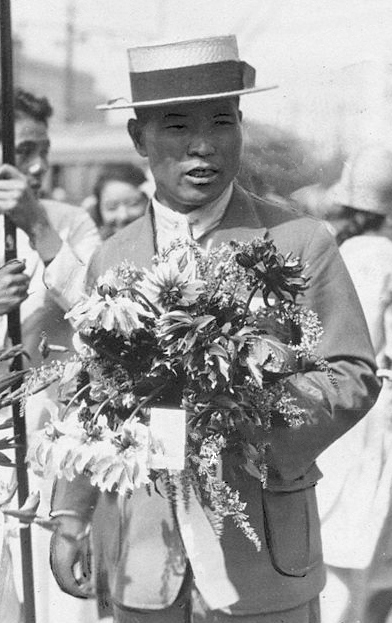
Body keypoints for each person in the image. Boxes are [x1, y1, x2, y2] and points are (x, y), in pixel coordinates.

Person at [49, 35, 380, 623]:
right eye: (175, 127)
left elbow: (353, 374)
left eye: (221, 122)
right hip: (143, 563)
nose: (202, 146)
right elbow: (90, 401)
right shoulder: (114, 257)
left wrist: (245, 413)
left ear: (240, 127)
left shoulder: (299, 241)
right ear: (138, 138)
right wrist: (71, 517)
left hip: (265, 559)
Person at [0, 88, 101, 623]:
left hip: (44, 459)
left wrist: (38, 228)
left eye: (43, 148)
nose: (38, 164)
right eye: (21, 150)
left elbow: (106, 319)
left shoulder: (68, 223)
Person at [315, 146, 392, 623]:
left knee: (338, 543)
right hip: (376, 406)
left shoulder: (337, 252)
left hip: (336, 403)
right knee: (366, 545)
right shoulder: (385, 258)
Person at [87, 163, 149, 239]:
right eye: (112, 207)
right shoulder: (92, 247)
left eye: (133, 204)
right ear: (98, 211)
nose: (123, 216)